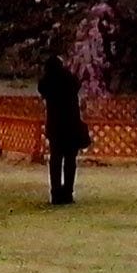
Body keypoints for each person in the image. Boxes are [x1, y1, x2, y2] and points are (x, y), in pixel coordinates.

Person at [40, 53, 88, 205]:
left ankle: (55, 193)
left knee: (55, 160)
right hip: (71, 125)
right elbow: (77, 83)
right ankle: (68, 192)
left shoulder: (48, 81)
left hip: (56, 127)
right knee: (70, 160)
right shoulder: (70, 79)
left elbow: (41, 88)